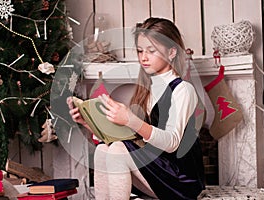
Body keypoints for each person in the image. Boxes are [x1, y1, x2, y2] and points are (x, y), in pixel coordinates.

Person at [67, 17, 205, 200]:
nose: (143, 57)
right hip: (158, 172)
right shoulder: (147, 88)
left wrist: (131, 120)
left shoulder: (182, 90)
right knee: (103, 149)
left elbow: (172, 143)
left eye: (151, 51)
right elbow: (130, 141)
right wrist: (87, 122)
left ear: (172, 52)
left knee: (117, 149)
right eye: (140, 51)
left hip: (181, 180)